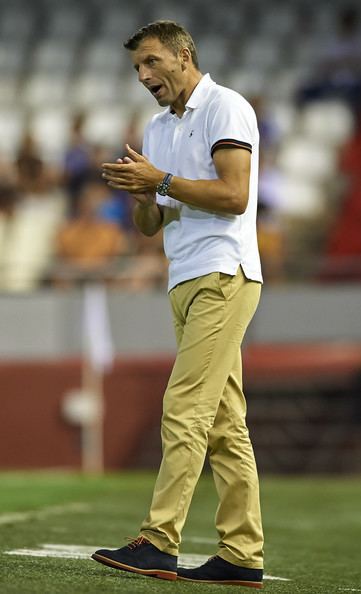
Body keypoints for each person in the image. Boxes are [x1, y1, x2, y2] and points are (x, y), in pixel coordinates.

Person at [92, 20, 264, 588]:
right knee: (223, 421)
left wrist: (160, 179)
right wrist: (144, 194)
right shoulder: (157, 127)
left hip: (223, 271)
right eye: (137, 68)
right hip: (185, 275)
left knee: (185, 405)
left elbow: (235, 196)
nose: (144, 76)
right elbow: (150, 225)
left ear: (183, 55)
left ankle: (160, 540)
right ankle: (242, 553)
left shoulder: (226, 107)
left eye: (151, 62)